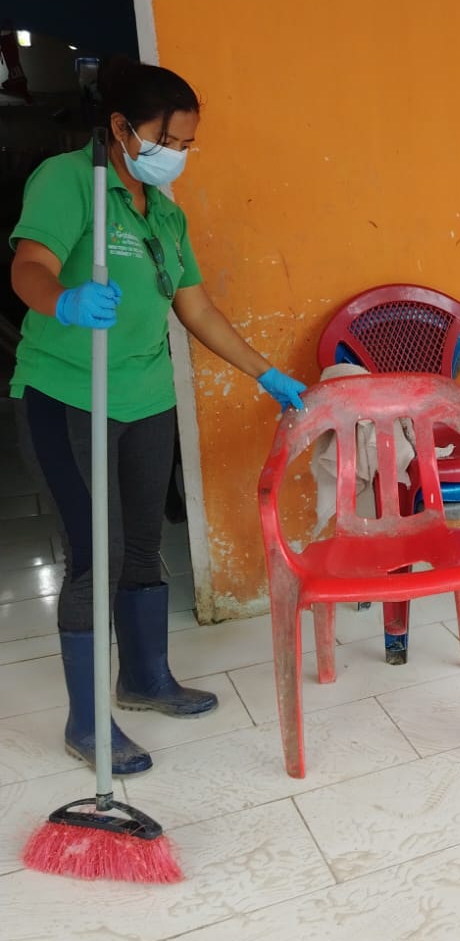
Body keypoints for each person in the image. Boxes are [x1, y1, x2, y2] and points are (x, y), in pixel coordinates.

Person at [9, 59, 308, 774]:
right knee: (97, 556)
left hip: (146, 397)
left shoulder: (165, 215)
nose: (177, 154)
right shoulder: (70, 182)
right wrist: (63, 301)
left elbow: (195, 307)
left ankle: (145, 679)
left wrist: (263, 371)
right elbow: (28, 266)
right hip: (68, 396)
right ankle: (87, 724)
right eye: (167, 140)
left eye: (186, 144)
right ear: (121, 127)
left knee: (143, 545)